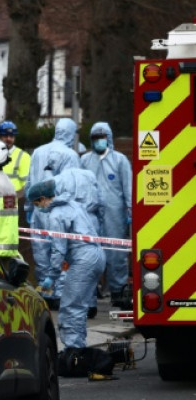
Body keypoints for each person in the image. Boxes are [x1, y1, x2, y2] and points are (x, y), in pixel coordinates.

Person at [27, 179, 105, 350]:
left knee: (70, 307)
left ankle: (74, 351)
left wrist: (51, 277)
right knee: (81, 305)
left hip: (83, 259)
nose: (37, 208)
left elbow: (58, 249)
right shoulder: (73, 205)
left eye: (36, 203)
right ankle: (79, 347)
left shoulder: (56, 216)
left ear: (43, 198)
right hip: (97, 256)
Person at [25, 117, 81, 306]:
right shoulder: (71, 155)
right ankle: (59, 292)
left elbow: (30, 182)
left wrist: (28, 207)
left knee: (41, 251)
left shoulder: (38, 152)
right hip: (59, 211)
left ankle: (45, 291)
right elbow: (73, 185)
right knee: (61, 250)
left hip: (38, 210)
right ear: (71, 134)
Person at [80, 121, 132, 300]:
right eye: (95, 138)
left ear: (108, 138)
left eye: (102, 138)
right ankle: (92, 290)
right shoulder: (85, 160)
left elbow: (128, 188)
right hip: (90, 213)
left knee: (116, 252)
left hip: (114, 214)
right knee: (90, 251)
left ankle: (118, 290)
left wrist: (130, 211)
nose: (99, 141)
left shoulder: (120, 160)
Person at [53, 164, 104, 318]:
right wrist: (100, 221)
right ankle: (91, 304)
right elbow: (102, 201)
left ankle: (64, 299)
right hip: (91, 220)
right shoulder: (90, 175)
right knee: (89, 267)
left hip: (71, 220)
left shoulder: (59, 179)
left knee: (69, 262)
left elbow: (56, 200)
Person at [0, 121, 31, 200]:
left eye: (11, 136)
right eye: (5, 136)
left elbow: (27, 186)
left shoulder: (24, 157)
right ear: (0, 137)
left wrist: (12, 199)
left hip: (13, 202)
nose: (8, 139)